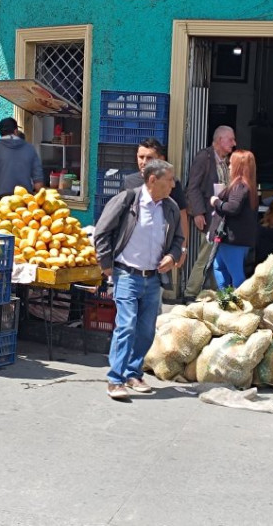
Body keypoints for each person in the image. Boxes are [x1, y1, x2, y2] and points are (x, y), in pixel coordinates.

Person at [94, 159, 184, 401]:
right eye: (169, 180)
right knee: (126, 325)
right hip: (126, 274)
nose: (173, 185)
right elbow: (102, 231)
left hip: (153, 278)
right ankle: (115, 379)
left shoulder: (170, 207)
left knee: (145, 331)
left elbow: (178, 239)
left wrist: (172, 256)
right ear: (153, 180)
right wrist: (106, 265)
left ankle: (134, 373)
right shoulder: (128, 200)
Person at [184, 125, 237, 299]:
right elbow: (193, 187)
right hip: (208, 216)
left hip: (222, 216)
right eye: (230, 139)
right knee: (206, 255)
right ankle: (191, 293)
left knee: (217, 256)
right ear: (220, 140)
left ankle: (215, 293)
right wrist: (198, 212)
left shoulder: (225, 160)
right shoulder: (204, 158)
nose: (234, 143)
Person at [123, 138, 189, 267]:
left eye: (149, 158)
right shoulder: (129, 182)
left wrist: (182, 249)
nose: (144, 162)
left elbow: (182, 216)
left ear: (161, 160)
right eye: (141, 157)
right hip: (132, 253)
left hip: (160, 252)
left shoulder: (171, 183)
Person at [209, 149, 258, 289]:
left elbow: (232, 208)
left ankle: (239, 304)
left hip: (232, 239)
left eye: (231, 163)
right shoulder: (248, 186)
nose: (229, 167)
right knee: (219, 268)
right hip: (234, 239)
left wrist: (216, 202)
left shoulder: (239, 186)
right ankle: (226, 301)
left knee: (236, 275)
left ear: (238, 166)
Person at [0, 117, 44, 200]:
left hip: (1, 200)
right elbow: (38, 182)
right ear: (15, 131)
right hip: (24, 200)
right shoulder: (30, 148)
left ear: (0, 132)